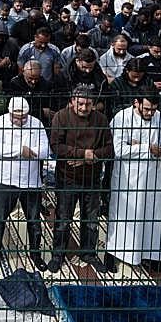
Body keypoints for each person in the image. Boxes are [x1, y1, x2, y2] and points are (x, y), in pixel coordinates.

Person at [105, 91, 161, 271]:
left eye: (153, 109)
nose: (150, 113)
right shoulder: (122, 117)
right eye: (146, 109)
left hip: (152, 177)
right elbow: (119, 149)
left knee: (150, 216)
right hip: (127, 177)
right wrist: (149, 149)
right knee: (124, 215)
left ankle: (149, 255)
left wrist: (137, 146)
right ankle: (114, 253)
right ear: (136, 103)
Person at [47, 85, 112, 272]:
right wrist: (83, 154)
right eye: (80, 104)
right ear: (72, 102)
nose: (84, 108)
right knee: (63, 218)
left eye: (88, 104)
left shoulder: (101, 120)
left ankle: (88, 253)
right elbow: (55, 146)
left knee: (91, 219)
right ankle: (58, 255)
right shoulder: (61, 116)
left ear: (93, 104)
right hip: (67, 177)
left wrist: (86, 159)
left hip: (92, 177)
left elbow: (109, 149)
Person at [0, 97, 50, 271]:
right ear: (9, 112)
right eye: (16, 118)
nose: (20, 121)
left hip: (31, 180)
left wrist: (29, 152)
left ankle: (35, 255)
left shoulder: (36, 124)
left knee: (34, 222)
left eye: (23, 118)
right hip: (6, 180)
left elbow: (45, 150)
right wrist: (20, 150)